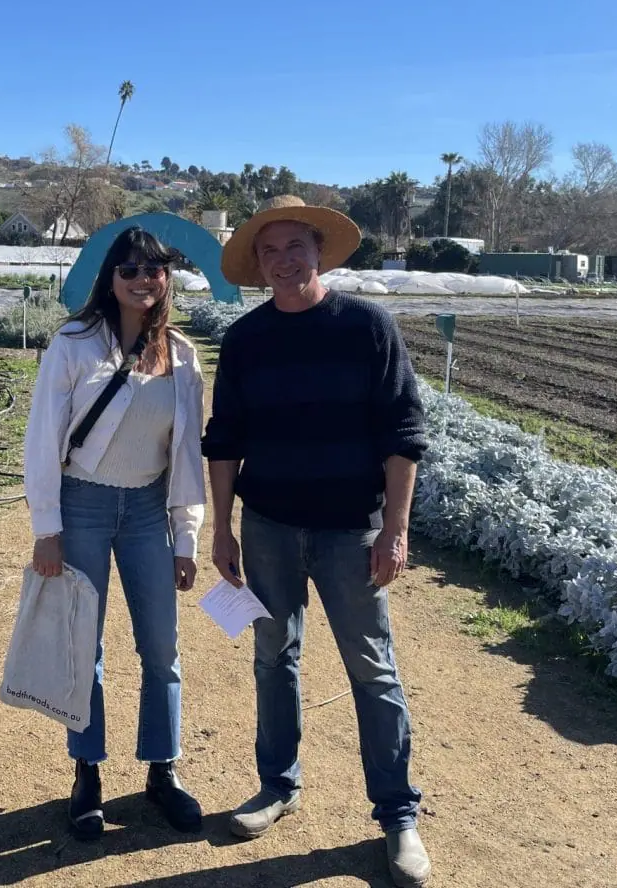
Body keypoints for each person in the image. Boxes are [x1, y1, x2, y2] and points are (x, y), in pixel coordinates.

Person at [201, 195, 432, 888]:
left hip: (348, 532)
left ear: (317, 250)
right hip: (269, 527)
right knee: (274, 658)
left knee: (373, 669)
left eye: (294, 247)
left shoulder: (366, 327)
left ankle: (397, 814)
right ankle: (278, 785)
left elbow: (402, 435)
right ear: (258, 263)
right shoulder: (246, 340)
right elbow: (225, 443)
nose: (282, 262)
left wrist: (395, 527)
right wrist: (223, 528)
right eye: (268, 253)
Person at [23, 225, 207, 841]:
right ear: (110, 278)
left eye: (153, 269)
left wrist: (187, 540)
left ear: (167, 279)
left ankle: (162, 769)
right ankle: (88, 771)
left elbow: (187, 457)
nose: (141, 280)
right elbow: (42, 441)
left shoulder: (182, 356)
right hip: (83, 506)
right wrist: (46, 527)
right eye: (128, 269)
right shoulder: (74, 344)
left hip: (149, 512)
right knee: (85, 645)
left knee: (162, 649)